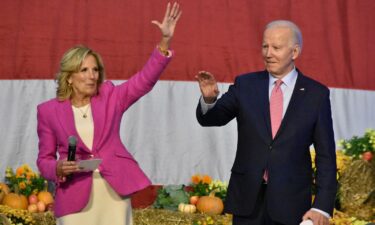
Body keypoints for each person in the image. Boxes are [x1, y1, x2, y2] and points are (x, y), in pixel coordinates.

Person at [36, 2, 181, 225]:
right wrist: (57, 167)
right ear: (69, 77)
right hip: (74, 197)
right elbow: (44, 159)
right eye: (84, 70)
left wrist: (164, 42)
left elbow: (143, 81)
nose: (92, 76)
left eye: (95, 70)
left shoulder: (110, 96)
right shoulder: (48, 111)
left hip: (113, 192)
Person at [196, 20, 337, 225]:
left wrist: (322, 206)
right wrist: (209, 100)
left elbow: (325, 155)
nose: (268, 53)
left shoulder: (316, 94)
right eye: (265, 46)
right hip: (247, 202)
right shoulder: (245, 84)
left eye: (276, 47)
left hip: (292, 204)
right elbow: (212, 118)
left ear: (295, 52)